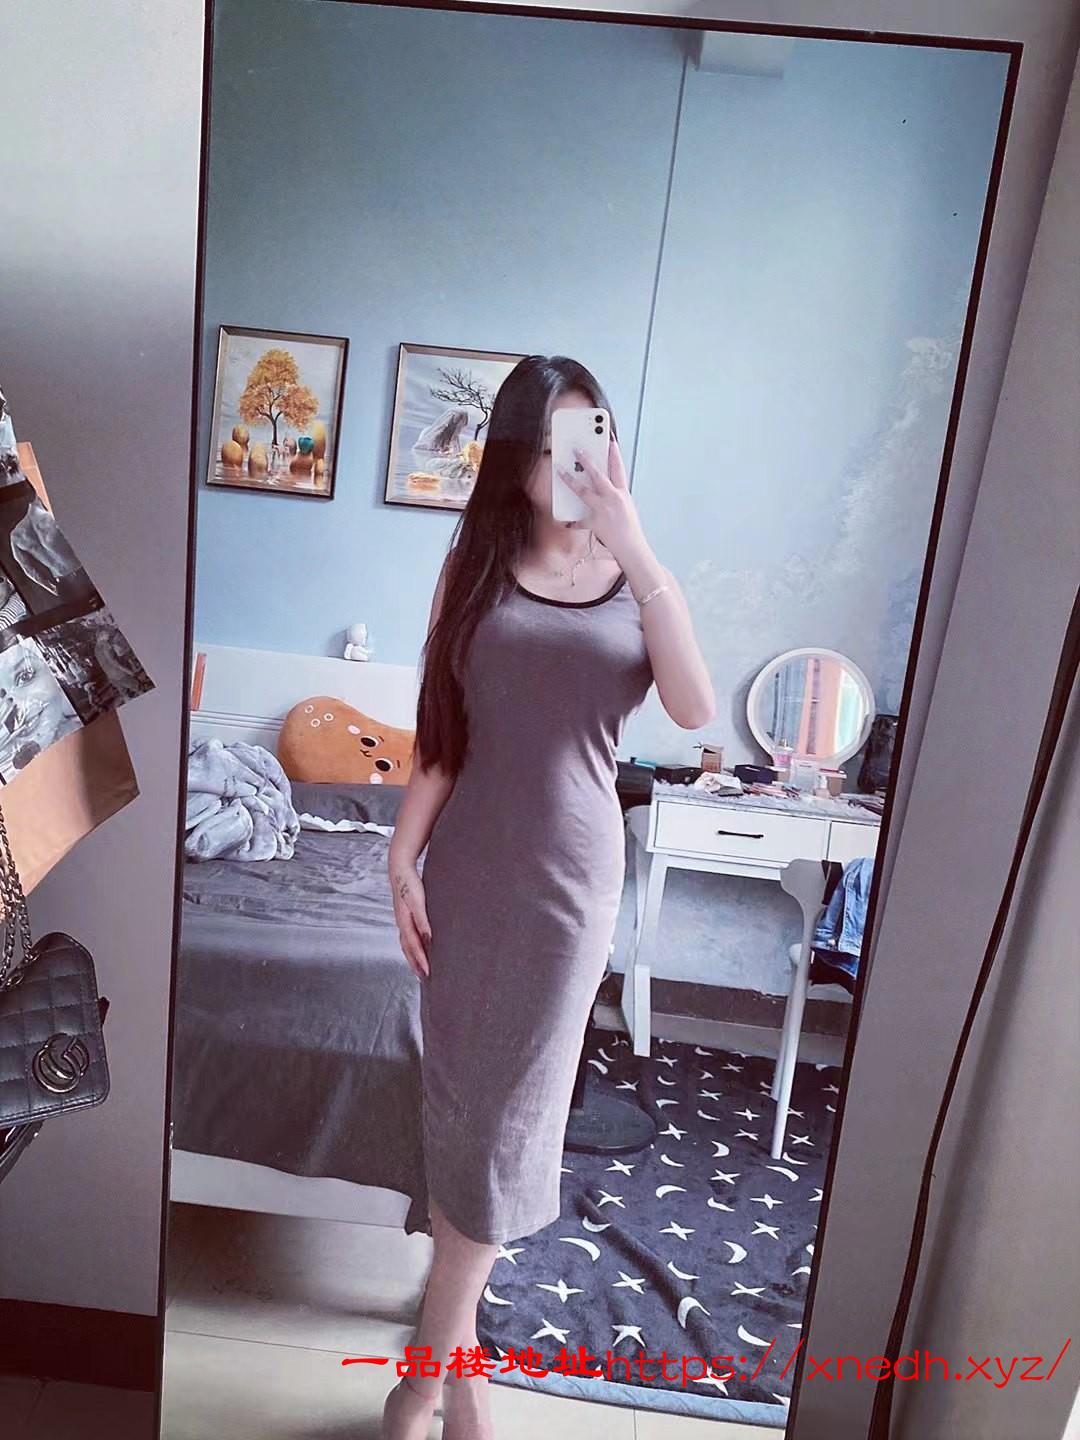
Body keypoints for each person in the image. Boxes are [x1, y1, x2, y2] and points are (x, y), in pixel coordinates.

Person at [382, 355, 714, 1440]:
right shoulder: (473, 572)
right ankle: (465, 1377)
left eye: (594, 437)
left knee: (509, 1125)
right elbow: (442, 736)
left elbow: (694, 705)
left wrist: (636, 542)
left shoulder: (635, 579)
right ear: (516, 459)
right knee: (463, 1111)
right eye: (554, 444)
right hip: (468, 875)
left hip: (570, 890)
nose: (577, 463)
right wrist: (400, 860)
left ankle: (421, 1383)